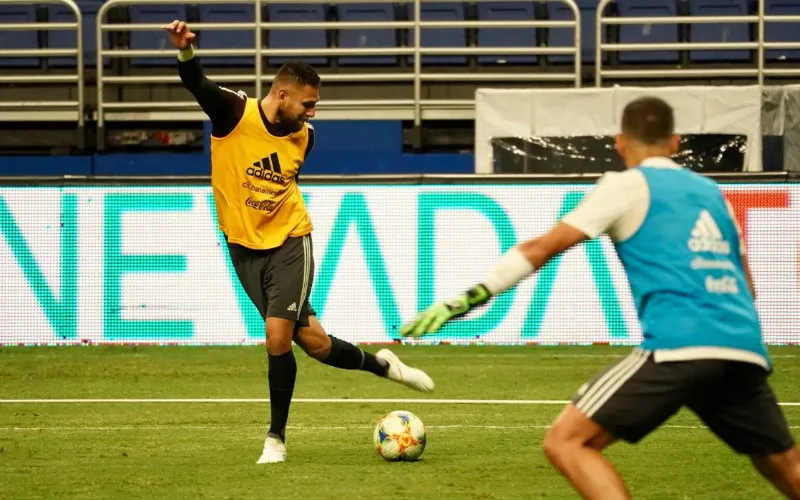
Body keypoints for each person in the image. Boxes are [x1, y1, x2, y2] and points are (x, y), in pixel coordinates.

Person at [400, 96, 800, 499]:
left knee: (566, 442)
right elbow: (748, 288)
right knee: (785, 466)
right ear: (675, 142)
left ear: (620, 142)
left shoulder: (625, 186)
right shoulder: (714, 195)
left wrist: (466, 300)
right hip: (744, 348)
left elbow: (542, 248)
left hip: (677, 347)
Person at [162, 20, 435, 465]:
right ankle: (384, 365)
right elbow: (196, 82)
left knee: (276, 337)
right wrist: (185, 51)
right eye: (308, 103)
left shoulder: (305, 137)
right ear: (283, 95)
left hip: (291, 240)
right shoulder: (233, 112)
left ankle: (276, 439)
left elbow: (285, 189)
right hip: (243, 247)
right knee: (317, 345)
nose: (313, 112)